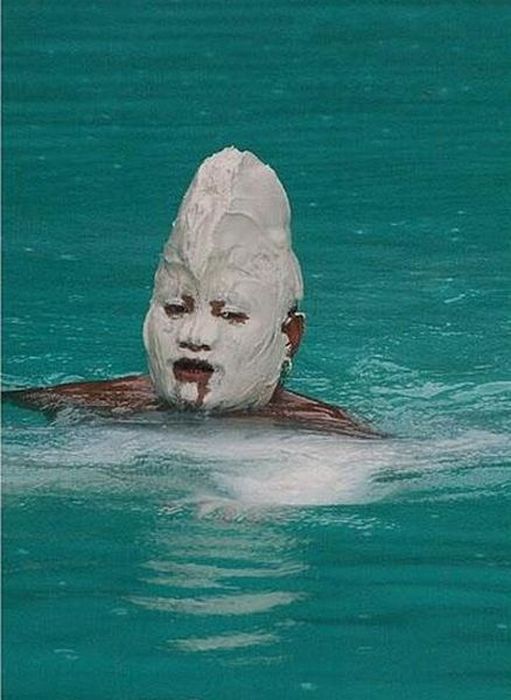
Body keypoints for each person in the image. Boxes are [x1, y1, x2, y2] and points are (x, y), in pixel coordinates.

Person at [4, 147, 380, 438]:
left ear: (290, 336)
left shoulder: (332, 439)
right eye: (175, 308)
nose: (194, 336)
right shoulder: (84, 405)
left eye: (230, 315)